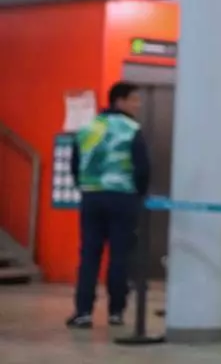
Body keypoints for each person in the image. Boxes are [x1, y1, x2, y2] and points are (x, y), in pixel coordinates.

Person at [66, 82, 150, 329]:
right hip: (122, 198)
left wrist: (85, 187)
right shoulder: (131, 129)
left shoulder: (87, 128)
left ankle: (83, 312)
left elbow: (75, 165)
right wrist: (139, 195)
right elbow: (142, 167)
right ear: (120, 101)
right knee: (119, 256)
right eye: (134, 99)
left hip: (91, 198)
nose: (138, 104)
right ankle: (116, 312)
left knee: (89, 255)